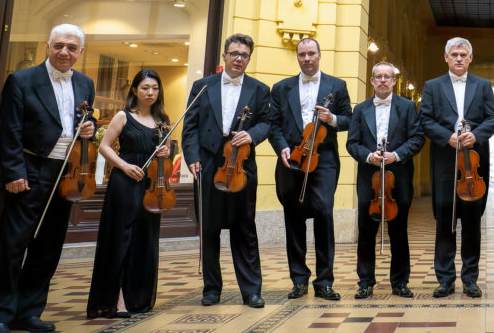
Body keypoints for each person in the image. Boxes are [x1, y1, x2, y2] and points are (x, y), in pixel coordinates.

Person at [0, 24, 97, 333]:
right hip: (28, 169)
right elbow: (8, 130)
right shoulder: (21, 80)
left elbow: (84, 120)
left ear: (80, 52)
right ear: (48, 46)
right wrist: (13, 173)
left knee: (48, 247)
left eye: (71, 47)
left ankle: (28, 312)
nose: (64, 52)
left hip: (64, 174)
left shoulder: (86, 83)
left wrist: (89, 127)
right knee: (10, 246)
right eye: (59, 45)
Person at [181, 33, 273, 309]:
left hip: (241, 164)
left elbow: (268, 122)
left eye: (244, 55)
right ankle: (212, 289)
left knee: (244, 229)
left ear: (249, 59)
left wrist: (252, 135)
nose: (238, 59)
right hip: (209, 163)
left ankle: (251, 291)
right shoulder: (202, 86)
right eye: (234, 53)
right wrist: (192, 157)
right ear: (224, 56)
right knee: (209, 228)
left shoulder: (259, 89)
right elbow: (190, 126)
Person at [268, 37, 351, 301]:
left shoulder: (337, 86)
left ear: (319, 55)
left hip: (323, 160)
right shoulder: (281, 88)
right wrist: (281, 147)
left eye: (311, 53)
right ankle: (298, 280)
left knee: (324, 214)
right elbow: (273, 124)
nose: (307, 58)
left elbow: (349, 119)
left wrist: (332, 118)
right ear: (297, 57)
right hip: (291, 158)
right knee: (293, 218)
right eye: (302, 54)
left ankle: (324, 282)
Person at [86, 69, 172, 318]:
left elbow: (166, 151)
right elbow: (104, 147)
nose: (150, 92)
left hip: (151, 185)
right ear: (135, 90)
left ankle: (137, 297)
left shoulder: (162, 120)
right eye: (145, 87)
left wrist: (166, 151)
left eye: (155, 88)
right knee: (122, 237)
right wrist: (124, 166)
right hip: (125, 181)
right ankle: (117, 299)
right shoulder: (123, 116)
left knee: (143, 239)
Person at [419, 37, 494, 298]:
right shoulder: (432, 86)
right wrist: (448, 137)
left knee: (473, 221)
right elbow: (425, 120)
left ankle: (470, 279)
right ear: (446, 57)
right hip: (445, 160)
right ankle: (445, 279)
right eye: (454, 54)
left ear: (470, 58)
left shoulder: (483, 85)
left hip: (474, 161)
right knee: (445, 219)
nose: (458, 58)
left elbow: (493, 119)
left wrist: (476, 135)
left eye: (463, 55)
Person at [347, 61, 425, 299]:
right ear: (372, 81)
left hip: (399, 177)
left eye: (387, 77)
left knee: (399, 231)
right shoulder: (360, 109)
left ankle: (400, 282)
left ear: (393, 81)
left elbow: (417, 138)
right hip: (368, 178)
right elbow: (352, 143)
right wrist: (368, 156)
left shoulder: (408, 106)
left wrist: (397, 155)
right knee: (366, 231)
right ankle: (365, 282)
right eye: (378, 77)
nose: (382, 80)